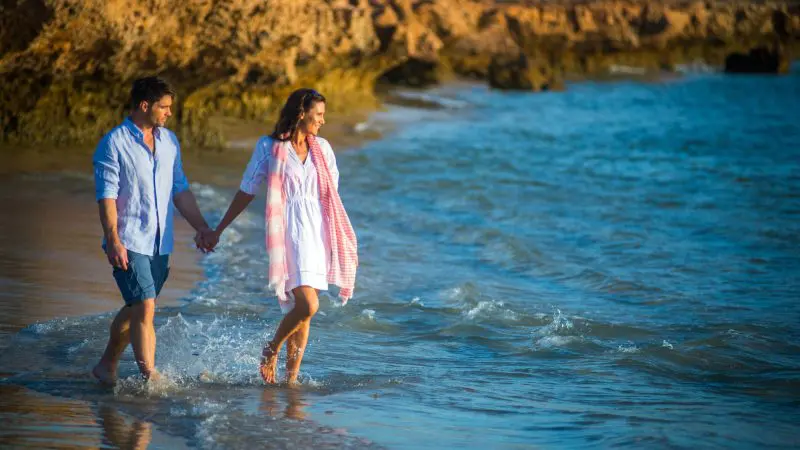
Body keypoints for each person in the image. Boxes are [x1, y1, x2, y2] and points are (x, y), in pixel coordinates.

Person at [199, 88, 358, 384]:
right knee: (308, 304)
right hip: (287, 232)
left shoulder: (323, 148)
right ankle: (271, 349)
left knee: (305, 313)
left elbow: (331, 196)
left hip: (317, 233)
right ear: (301, 113)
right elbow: (247, 189)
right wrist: (219, 229)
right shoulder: (270, 147)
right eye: (318, 114)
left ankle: (290, 380)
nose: (323, 121)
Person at [91, 76, 214, 384]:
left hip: (160, 242)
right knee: (146, 306)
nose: (169, 113)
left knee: (137, 306)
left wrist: (200, 226)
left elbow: (180, 189)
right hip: (129, 238)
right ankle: (152, 377)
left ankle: (107, 364)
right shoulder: (113, 143)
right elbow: (106, 196)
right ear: (145, 106)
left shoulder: (169, 141)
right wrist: (113, 239)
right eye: (164, 107)